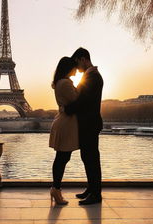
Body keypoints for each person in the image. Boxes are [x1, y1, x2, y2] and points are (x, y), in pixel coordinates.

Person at [65, 47, 103, 205]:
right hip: (89, 122)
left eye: (77, 63)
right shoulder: (91, 75)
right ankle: (92, 189)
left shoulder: (93, 77)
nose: (77, 67)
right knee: (88, 157)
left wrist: (67, 109)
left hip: (89, 123)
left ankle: (95, 194)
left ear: (83, 59)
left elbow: (83, 101)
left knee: (91, 158)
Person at [49, 56, 79, 205]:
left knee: (62, 158)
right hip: (66, 124)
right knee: (62, 158)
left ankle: (56, 188)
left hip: (64, 122)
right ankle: (56, 189)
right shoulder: (66, 83)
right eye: (74, 67)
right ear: (69, 68)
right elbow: (78, 102)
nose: (76, 70)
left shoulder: (59, 82)